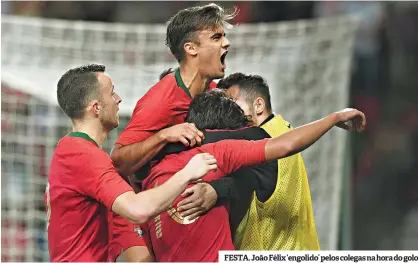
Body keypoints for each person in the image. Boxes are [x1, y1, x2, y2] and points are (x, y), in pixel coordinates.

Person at [141, 90, 366, 262]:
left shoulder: (148, 184)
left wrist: (218, 190)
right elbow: (286, 145)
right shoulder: (217, 152)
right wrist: (335, 117)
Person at [45, 64, 218, 262]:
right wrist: (188, 172)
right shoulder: (84, 155)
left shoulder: (72, 151)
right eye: (112, 93)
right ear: (96, 108)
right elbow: (138, 210)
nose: (118, 99)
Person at [109, 3, 236, 261]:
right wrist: (163, 135)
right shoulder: (161, 101)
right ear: (190, 49)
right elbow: (118, 161)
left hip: (175, 198)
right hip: (136, 208)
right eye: (217, 37)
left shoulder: (214, 94)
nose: (227, 43)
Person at [218, 73, 320, 250]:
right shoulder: (282, 129)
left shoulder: (258, 138)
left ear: (258, 105)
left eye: (233, 103)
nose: (228, 112)